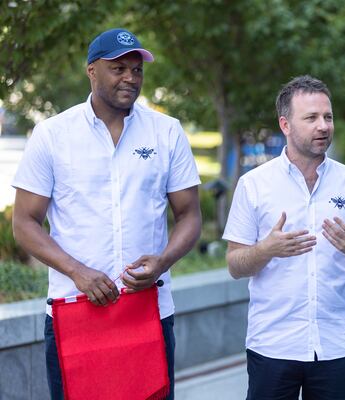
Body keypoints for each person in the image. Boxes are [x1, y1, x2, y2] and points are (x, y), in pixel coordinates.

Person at [12, 28, 202, 399]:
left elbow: (190, 215)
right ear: (91, 71)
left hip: (148, 312)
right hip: (75, 313)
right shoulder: (52, 134)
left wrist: (162, 261)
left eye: (137, 70)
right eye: (118, 68)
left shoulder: (167, 132)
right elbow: (24, 222)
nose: (131, 78)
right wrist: (78, 272)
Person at [223, 75, 345, 399]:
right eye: (311, 118)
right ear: (285, 124)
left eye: (328, 116)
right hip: (273, 346)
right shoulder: (254, 185)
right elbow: (235, 266)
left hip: (335, 346)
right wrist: (266, 249)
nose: (323, 126)